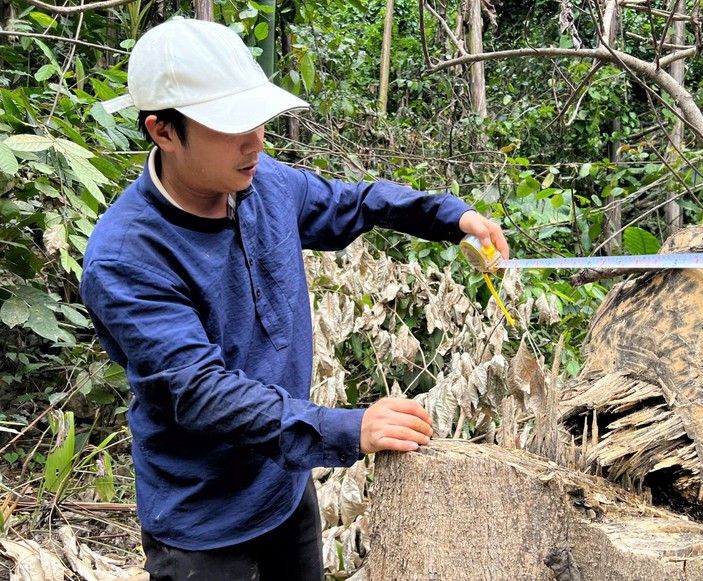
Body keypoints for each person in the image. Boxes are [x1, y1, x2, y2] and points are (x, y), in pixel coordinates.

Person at [81, 17, 508, 581]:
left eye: (258, 122)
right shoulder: (127, 257)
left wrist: (449, 216)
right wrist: (347, 429)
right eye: (232, 126)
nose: (255, 141)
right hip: (201, 527)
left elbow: (354, 203)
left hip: (283, 490)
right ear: (162, 130)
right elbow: (200, 393)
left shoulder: (263, 184)